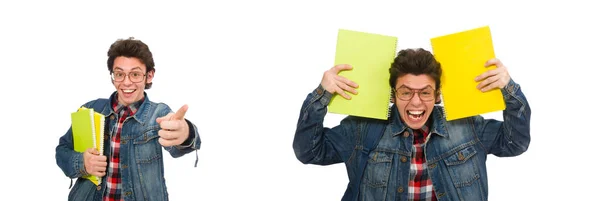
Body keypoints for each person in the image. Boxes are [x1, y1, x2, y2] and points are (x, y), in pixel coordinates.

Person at [293, 48, 530, 201]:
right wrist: (321, 95)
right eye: (405, 92)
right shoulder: (362, 129)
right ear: (393, 95)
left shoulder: (468, 127)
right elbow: (309, 151)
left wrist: (509, 89)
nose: (416, 102)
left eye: (425, 92)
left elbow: (515, 143)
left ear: (437, 95)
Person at [56, 37, 201, 201]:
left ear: (149, 76)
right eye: (119, 74)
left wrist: (185, 133)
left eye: (135, 74)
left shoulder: (159, 114)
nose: (126, 82)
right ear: (112, 76)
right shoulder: (91, 109)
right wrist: (82, 163)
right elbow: (62, 151)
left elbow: (179, 142)